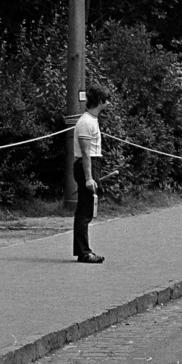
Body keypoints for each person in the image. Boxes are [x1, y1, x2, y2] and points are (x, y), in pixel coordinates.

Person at [72, 87, 108, 263]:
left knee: (85, 210)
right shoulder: (86, 122)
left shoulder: (92, 120)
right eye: (106, 99)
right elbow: (86, 153)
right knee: (85, 211)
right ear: (100, 100)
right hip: (87, 165)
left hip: (92, 164)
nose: (108, 103)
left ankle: (83, 250)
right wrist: (89, 177)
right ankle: (83, 251)